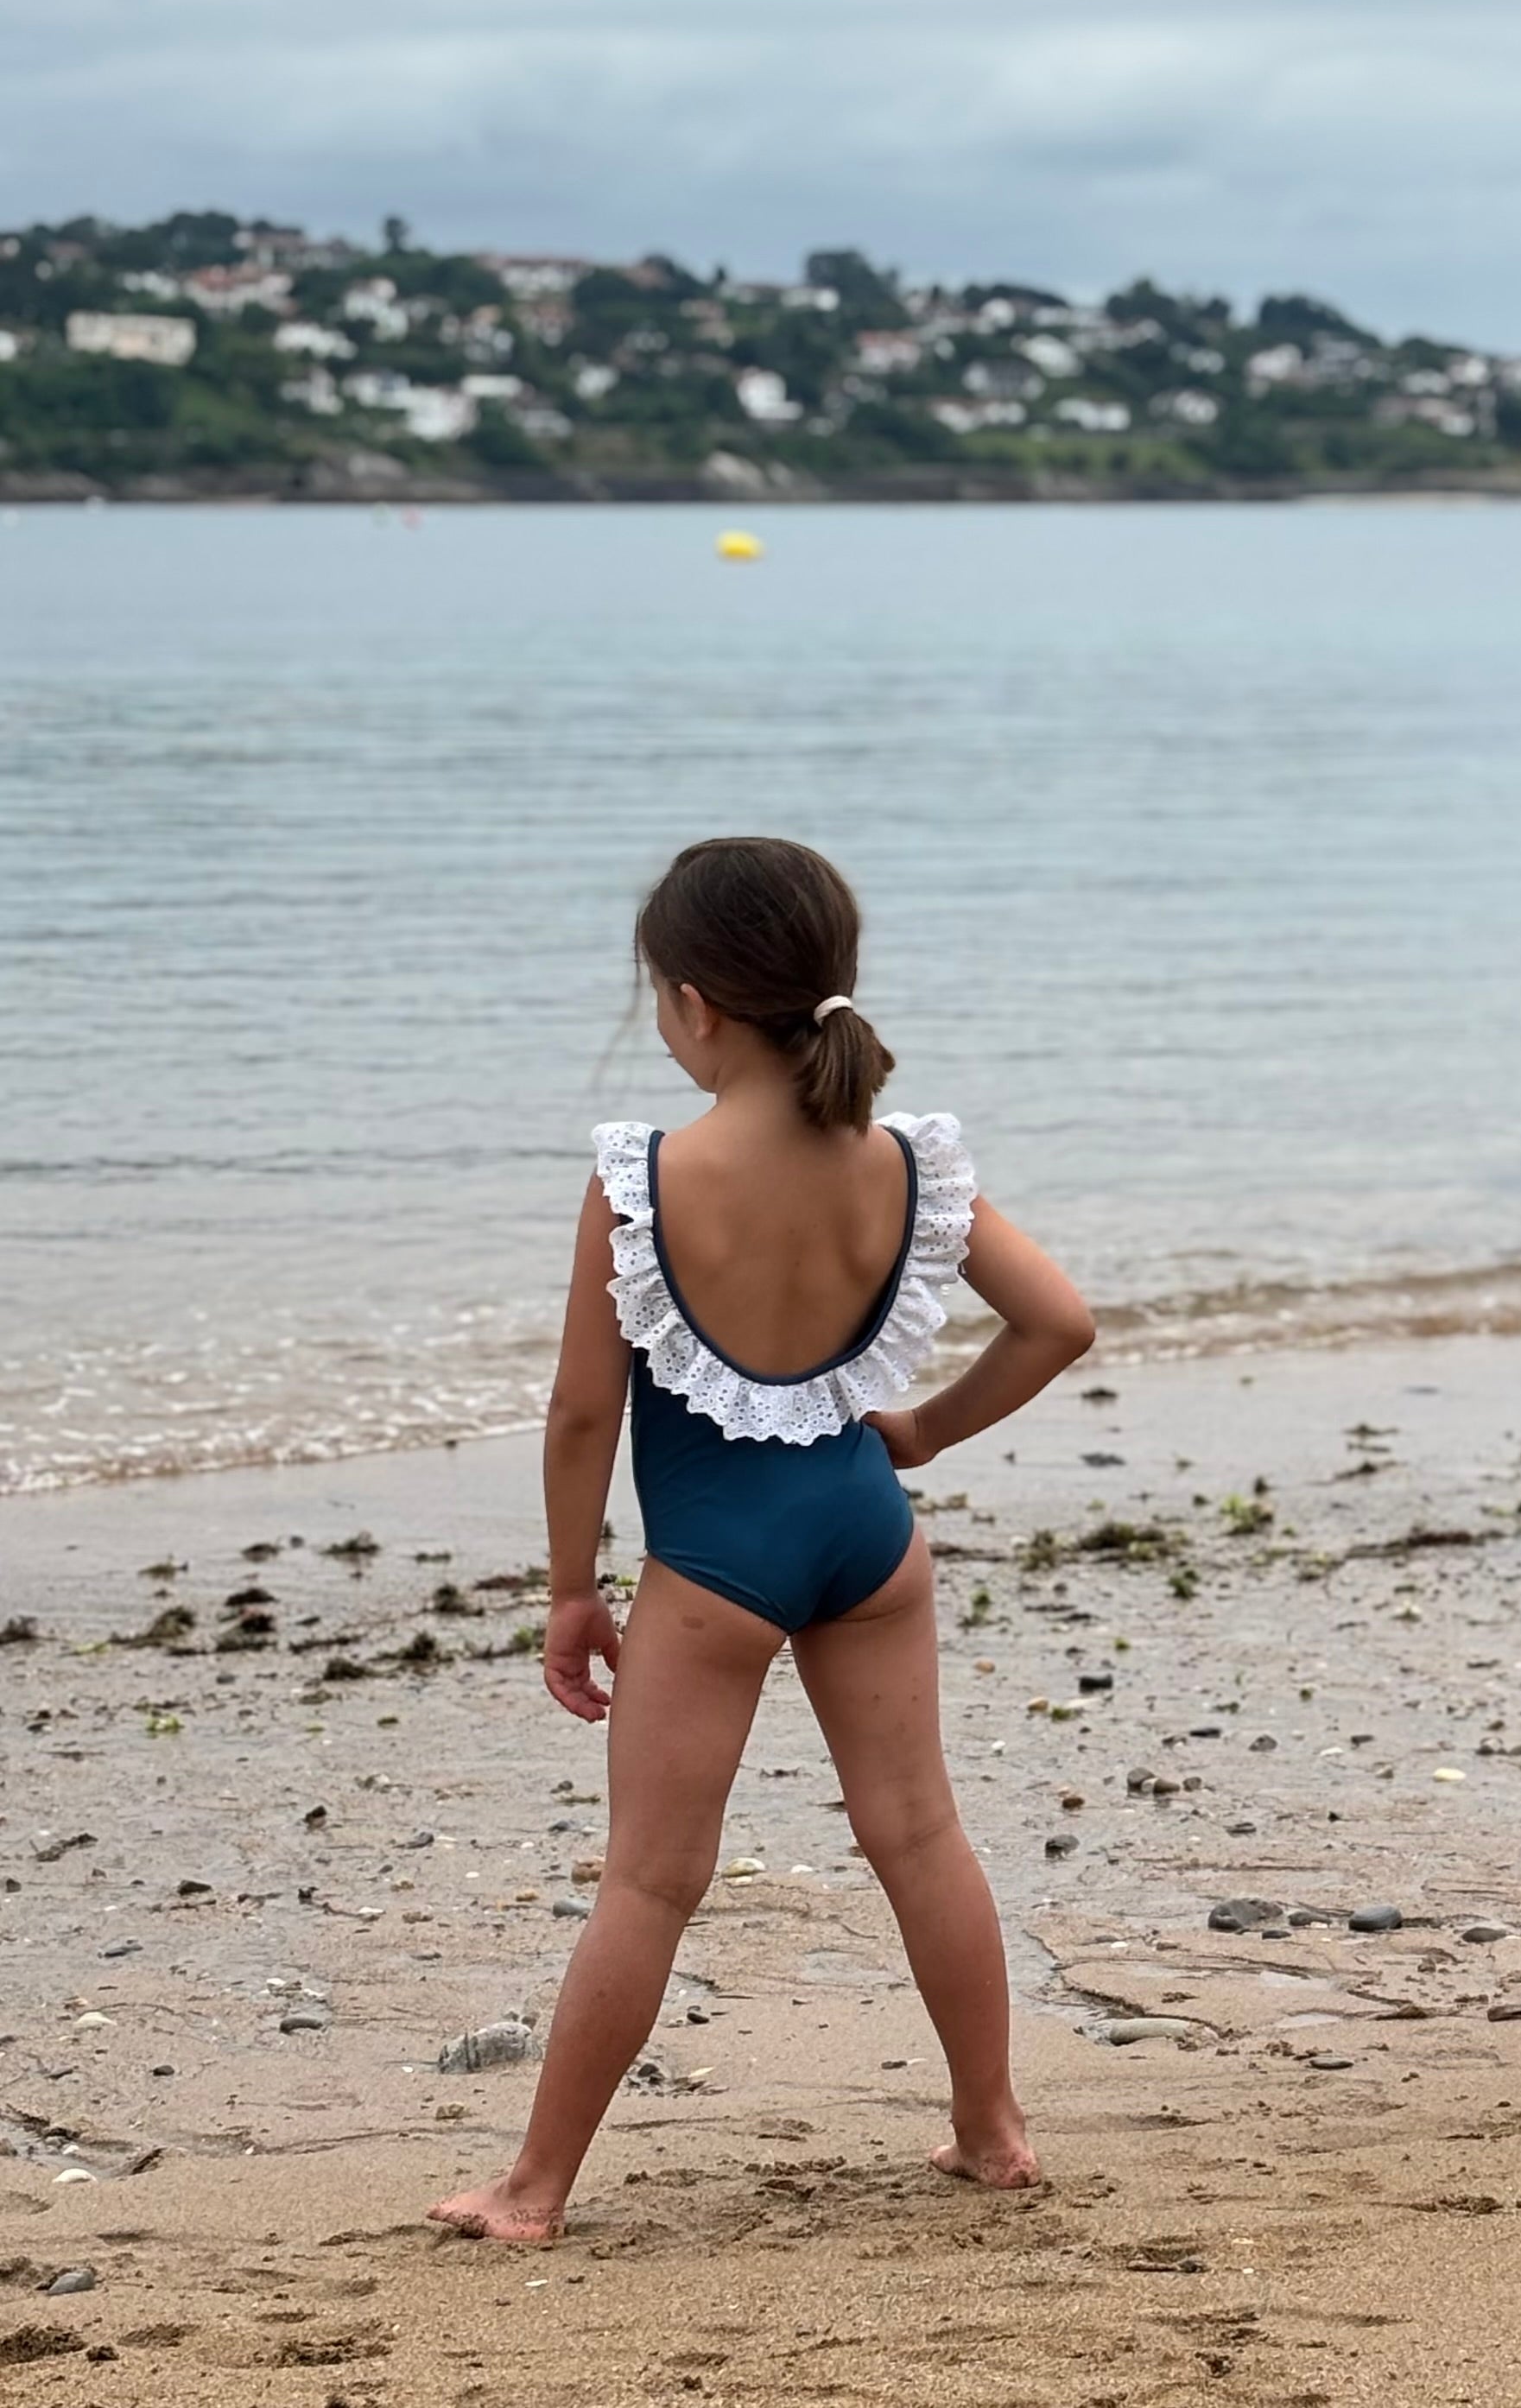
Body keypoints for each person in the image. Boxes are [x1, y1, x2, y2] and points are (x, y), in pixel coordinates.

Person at [430, 836, 1094, 2240]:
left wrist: (568, 1588)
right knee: (920, 1834)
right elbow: (1060, 1322)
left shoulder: (642, 1178)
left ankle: (535, 2186)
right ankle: (993, 2126)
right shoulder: (904, 1160)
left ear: (692, 1006)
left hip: (713, 1566)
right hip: (866, 1535)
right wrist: (923, 1433)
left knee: (651, 1877)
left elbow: (577, 1414)